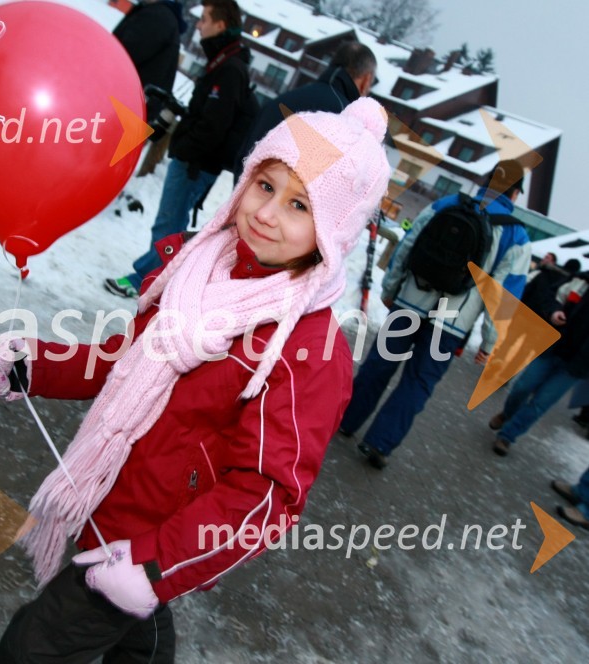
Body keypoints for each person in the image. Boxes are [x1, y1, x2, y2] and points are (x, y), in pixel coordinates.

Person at [0, 98, 391, 662]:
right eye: (265, 185)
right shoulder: (197, 267)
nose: (267, 212)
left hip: (153, 537)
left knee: (31, 649)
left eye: (299, 204)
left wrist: (155, 566)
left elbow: (265, 496)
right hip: (108, 491)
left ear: (332, 232)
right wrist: (39, 364)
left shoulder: (309, 351)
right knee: (137, 642)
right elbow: (125, 360)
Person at [339, 160, 532, 469]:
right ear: (516, 193)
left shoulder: (448, 203)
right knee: (418, 382)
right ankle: (379, 443)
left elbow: (408, 244)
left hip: (411, 301)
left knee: (379, 364)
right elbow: (503, 298)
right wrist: (489, 342)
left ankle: (347, 421)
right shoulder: (517, 236)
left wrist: (391, 287)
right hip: (451, 323)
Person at [105, 0, 253, 299]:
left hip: (194, 163)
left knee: (169, 228)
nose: (199, 25)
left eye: (205, 19)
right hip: (195, 160)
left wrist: (185, 147)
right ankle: (160, 282)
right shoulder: (223, 62)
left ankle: (145, 281)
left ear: (220, 25)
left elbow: (214, 125)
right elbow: (207, 115)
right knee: (171, 226)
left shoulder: (230, 69)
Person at [233, 40, 377, 181]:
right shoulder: (346, 122)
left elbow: (244, 157)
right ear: (366, 80)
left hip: (250, 191)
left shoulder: (281, 101)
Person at [489, 269, 589, 455]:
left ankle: (507, 436)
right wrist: (554, 311)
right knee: (522, 387)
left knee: (540, 403)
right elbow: (552, 295)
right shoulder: (581, 280)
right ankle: (507, 414)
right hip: (551, 348)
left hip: (576, 366)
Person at [112, 0, 187, 122]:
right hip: (132, 111)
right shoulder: (159, 14)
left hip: (124, 112)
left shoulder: (157, 17)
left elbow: (120, 57)